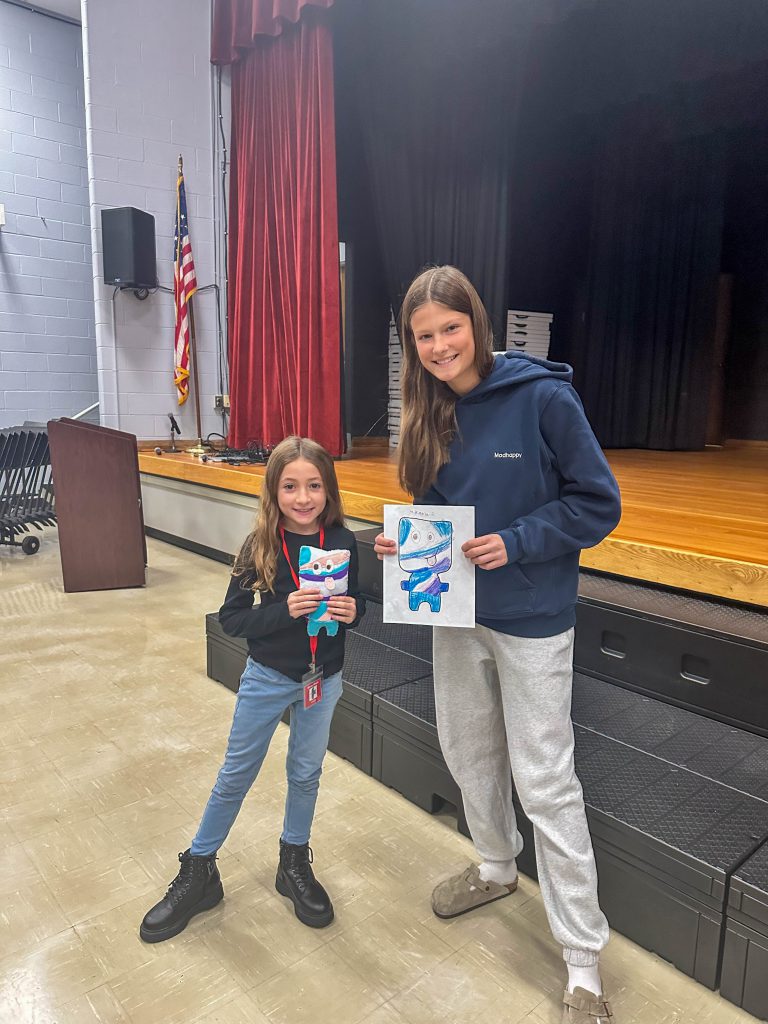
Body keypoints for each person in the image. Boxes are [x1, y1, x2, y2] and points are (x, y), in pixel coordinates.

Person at [375, 266, 620, 1023]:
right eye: (425, 336)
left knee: (545, 781)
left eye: (451, 328)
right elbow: (438, 511)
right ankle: (495, 866)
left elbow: (596, 502)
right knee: (468, 748)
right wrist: (408, 545)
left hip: (533, 617)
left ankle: (584, 968)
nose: (441, 345)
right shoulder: (430, 410)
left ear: (476, 325)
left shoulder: (544, 397)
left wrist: (515, 543)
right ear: (413, 348)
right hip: (456, 614)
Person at [140, 436, 365, 943]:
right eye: (291, 486)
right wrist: (281, 611)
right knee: (236, 773)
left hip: (323, 680)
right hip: (267, 678)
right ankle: (199, 870)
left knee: (305, 773)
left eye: (314, 486)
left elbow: (356, 604)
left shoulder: (344, 542)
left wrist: (355, 613)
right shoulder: (260, 545)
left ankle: (293, 862)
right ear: (274, 490)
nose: (303, 497)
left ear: (329, 490)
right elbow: (232, 617)